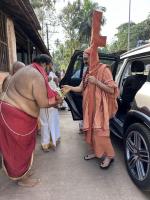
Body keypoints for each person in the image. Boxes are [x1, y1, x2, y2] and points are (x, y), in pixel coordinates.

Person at [62, 10, 119, 169]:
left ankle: (109, 156)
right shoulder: (87, 72)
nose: (85, 62)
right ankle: (96, 152)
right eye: (84, 60)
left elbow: (112, 89)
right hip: (89, 107)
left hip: (100, 109)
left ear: (94, 56)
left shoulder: (103, 70)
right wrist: (70, 88)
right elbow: (81, 87)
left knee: (101, 133)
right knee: (92, 133)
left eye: (87, 59)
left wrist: (97, 82)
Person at [0, 54, 62, 187]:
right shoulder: (36, 75)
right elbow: (43, 102)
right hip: (15, 116)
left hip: (12, 113)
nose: (48, 71)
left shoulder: (27, 70)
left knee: (22, 147)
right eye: (49, 66)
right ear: (45, 64)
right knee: (19, 148)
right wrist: (58, 100)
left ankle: (24, 172)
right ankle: (21, 179)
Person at [40, 63, 61, 151]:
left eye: (51, 64)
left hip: (54, 101)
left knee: (54, 121)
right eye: (49, 64)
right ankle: (45, 143)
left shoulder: (52, 74)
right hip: (44, 102)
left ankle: (55, 139)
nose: (50, 66)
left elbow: (57, 87)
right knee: (45, 123)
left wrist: (57, 82)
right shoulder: (39, 74)